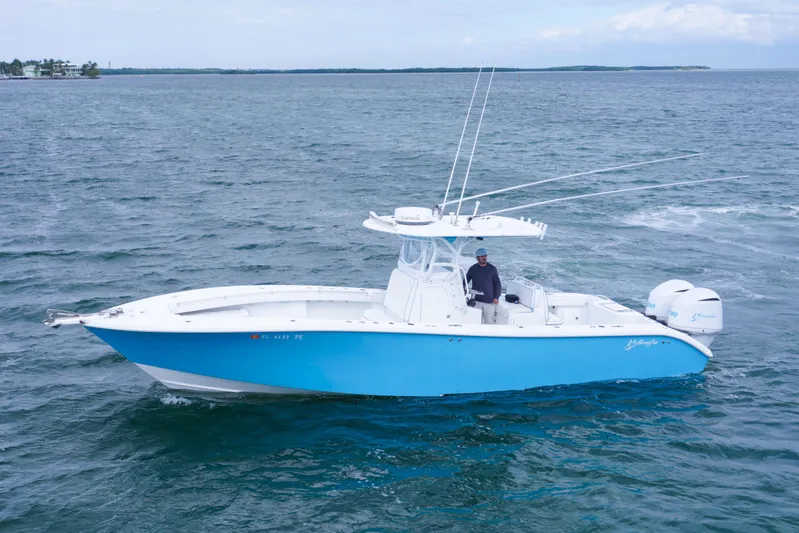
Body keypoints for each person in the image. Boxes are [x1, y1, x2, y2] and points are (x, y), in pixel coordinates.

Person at [466, 248, 501, 324]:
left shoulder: (492, 269)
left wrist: (496, 297)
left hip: (489, 301)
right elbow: (465, 282)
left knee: (489, 323)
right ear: (477, 258)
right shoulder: (473, 269)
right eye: (482, 256)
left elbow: (497, 284)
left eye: (485, 256)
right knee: (476, 322)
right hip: (476, 301)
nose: (484, 258)